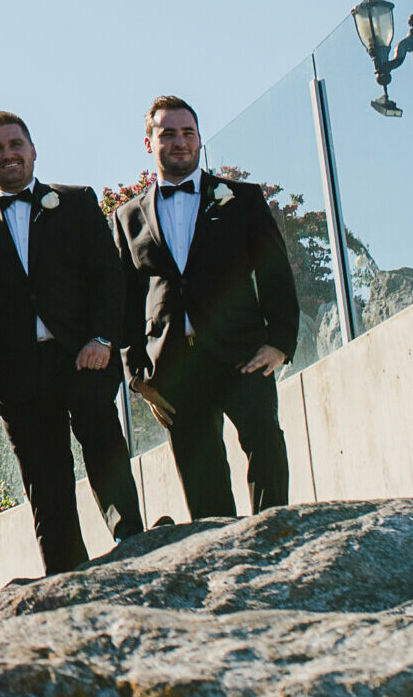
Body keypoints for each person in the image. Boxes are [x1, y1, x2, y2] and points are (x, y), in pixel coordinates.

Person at [0, 111, 146, 574]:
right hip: (18, 376)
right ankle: (67, 578)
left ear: (33, 149)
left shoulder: (78, 202)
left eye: (16, 144)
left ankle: (133, 543)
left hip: (85, 357)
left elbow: (109, 278)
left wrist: (103, 337)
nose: (8, 154)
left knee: (104, 447)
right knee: (45, 482)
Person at [112, 95, 301, 518]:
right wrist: (138, 376)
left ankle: (275, 536)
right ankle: (224, 560)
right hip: (174, 368)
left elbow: (275, 275)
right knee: (201, 474)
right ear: (149, 143)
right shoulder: (128, 217)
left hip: (244, 354)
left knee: (266, 445)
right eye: (168, 134)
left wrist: (280, 343)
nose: (180, 142)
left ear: (199, 140)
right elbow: (123, 303)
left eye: (188, 133)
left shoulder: (242, 199)